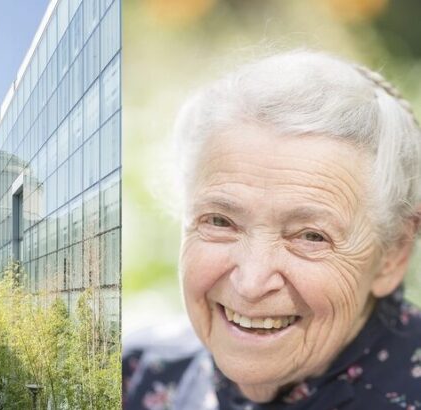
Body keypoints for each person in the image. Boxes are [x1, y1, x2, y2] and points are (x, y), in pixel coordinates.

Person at [123, 50, 421, 410]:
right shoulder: (139, 374)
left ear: (393, 254)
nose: (250, 283)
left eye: (311, 236)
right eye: (220, 221)